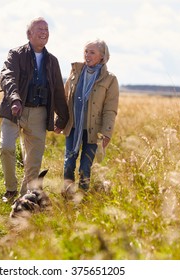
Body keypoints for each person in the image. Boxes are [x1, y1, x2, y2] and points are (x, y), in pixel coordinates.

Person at [0, 17, 69, 202]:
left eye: (46, 29)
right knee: (6, 147)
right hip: (15, 110)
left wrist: (62, 118)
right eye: (39, 29)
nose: (44, 32)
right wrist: (15, 99)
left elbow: (58, 92)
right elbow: (7, 77)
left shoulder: (52, 61)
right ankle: (10, 190)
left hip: (39, 113)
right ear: (29, 34)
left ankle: (25, 198)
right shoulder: (16, 54)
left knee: (34, 161)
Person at [58, 39, 119, 195]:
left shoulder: (110, 79)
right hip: (73, 127)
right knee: (68, 164)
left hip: (93, 131)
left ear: (102, 56)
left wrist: (107, 132)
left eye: (92, 52)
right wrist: (59, 120)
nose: (87, 55)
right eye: (86, 51)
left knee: (85, 168)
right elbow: (65, 97)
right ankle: (67, 196)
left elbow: (110, 109)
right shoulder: (76, 71)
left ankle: (82, 200)